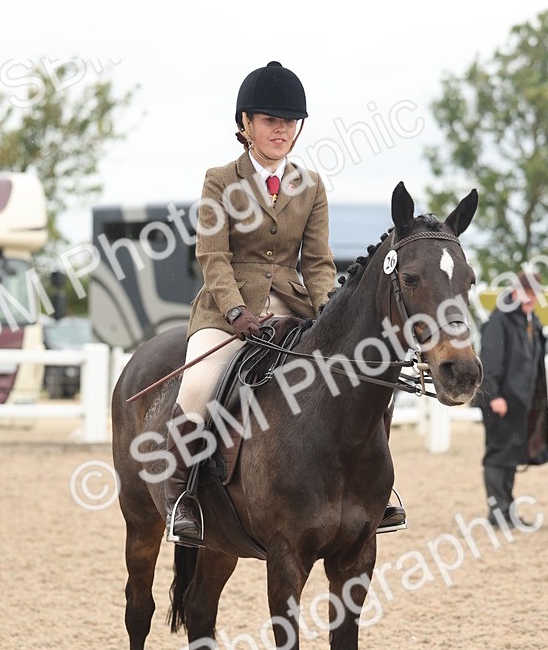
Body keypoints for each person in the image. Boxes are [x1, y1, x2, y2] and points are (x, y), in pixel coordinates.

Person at [163, 60, 407, 543]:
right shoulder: (220, 180)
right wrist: (235, 312)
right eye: (271, 121)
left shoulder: (311, 185)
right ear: (246, 125)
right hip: (227, 308)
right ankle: (183, 496)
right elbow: (211, 255)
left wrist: (329, 315)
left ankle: (376, 489)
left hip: (295, 305)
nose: (281, 130)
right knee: (197, 387)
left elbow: (317, 262)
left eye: (289, 123)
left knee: (365, 375)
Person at [477, 271, 548, 526]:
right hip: (501, 403)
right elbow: (489, 362)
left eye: (535, 295)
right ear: (515, 292)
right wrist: (494, 397)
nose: (531, 299)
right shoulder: (500, 320)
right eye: (527, 294)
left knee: (511, 457)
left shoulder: (531, 320)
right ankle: (497, 515)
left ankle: (507, 511)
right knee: (498, 456)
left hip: (522, 403)